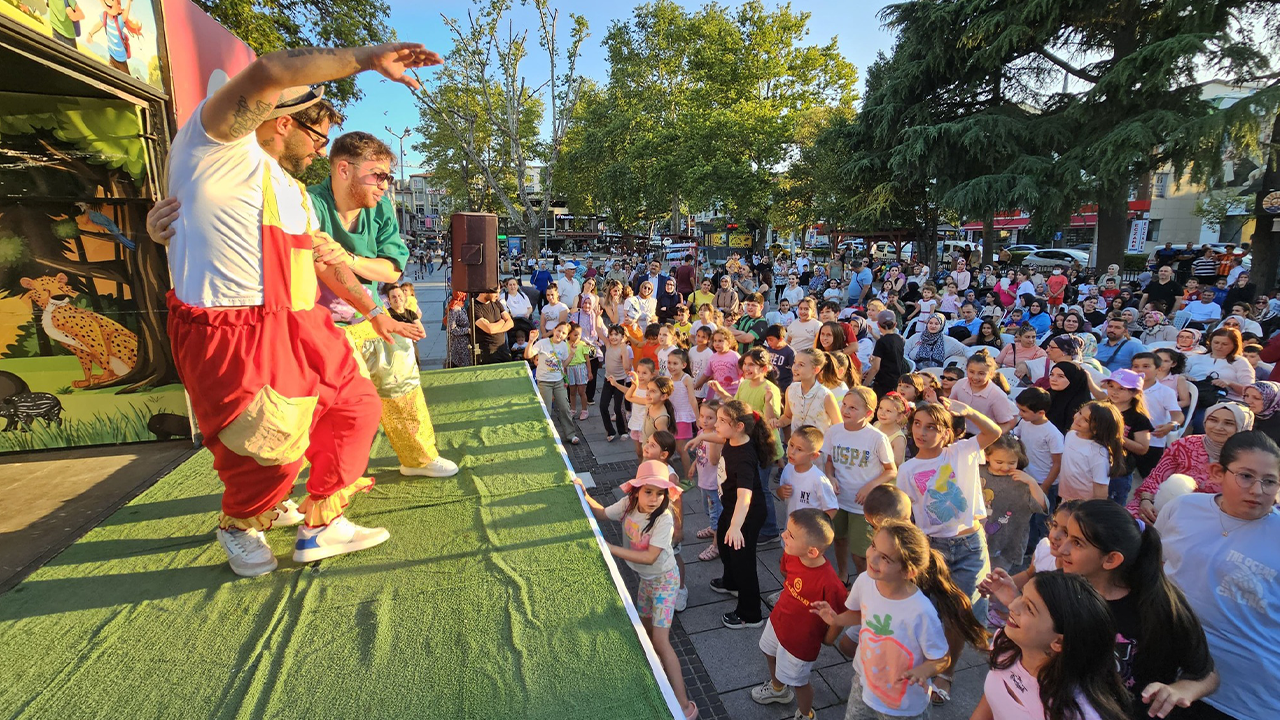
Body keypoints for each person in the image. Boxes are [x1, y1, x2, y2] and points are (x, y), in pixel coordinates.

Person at [149, 42, 443, 576]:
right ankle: (240, 523)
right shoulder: (212, 145)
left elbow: (325, 263)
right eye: (317, 137)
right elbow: (269, 70)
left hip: (301, 318)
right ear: (281, 120)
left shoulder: (292, 191)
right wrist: (370, 59)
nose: (319, 151)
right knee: (265, 445)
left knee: (357, 407)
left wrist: (373, 313)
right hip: (232, 325)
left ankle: (323, 524)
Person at [810, 520, 987, 720]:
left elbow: (942, 658)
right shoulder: (865, 581)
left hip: (903, 704)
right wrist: (837, 619)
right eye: (873, 546)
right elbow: (863, 614)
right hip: (865, 682)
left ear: (908, 572)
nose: (872, 558)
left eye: (885, 558)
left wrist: (924, 670)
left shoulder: (921, 611)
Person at [1157, 431, 1280, 720]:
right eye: (1246, 476)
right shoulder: (1182, 509)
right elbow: (1154, 570)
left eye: (1270, 481)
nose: (1258, 490)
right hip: (1167, 675)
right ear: (1216, 472)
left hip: (1246, 697)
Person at [1060, 501, 1220, 718]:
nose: (1062, 548)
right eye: (1066, 535)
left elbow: (1206, 674)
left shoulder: (1161, 609)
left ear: (1111, 559)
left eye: (1077, 543)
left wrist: (1179, 690)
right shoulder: (1064, 589)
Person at [574, 462, 698, 720]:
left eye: (660, 493)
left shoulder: (664, 518)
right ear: (636, 491)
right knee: (643, 627)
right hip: (645, 580)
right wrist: (584, 495)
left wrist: (609, 548)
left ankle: (684, 704)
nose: (654, 498)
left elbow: (651, 557)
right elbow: (602, 514)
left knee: (662, 641)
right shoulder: (628, 504)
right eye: (648, 491)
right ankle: (653, 669)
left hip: (664, 581)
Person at [896, 398, 1002, 692]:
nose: (922, 432)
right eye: (917, 424)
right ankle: (924, 662)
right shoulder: (907, 469)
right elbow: (908, 514)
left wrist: (969, 412)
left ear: (947, 433)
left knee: (959, 615)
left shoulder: (961, 452)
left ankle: (948, 671)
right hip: (933, 549)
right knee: (928, 613)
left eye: (932, 427)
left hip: (970, 546)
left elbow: (994, 433)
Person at [973, 571, 1132, 720]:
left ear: (1058, 642)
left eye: (1029, 608)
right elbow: (991, 700)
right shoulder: (1007, 644)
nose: (1013, 606)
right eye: (1021, 594)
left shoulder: (1077, 712)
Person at [710, 399, 778, 629]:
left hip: (746, 514)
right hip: (732, 509)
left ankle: (750, 613)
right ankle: (731, 582)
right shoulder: (733, 439)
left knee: (743, 561)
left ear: (739, 426)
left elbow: (745, 497)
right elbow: (719, 437)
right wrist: (701, 438)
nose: (716, 424)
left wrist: (736, 526)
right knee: (724, 542)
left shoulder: (744, 457)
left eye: (721, 420)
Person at [1129, 402, 1255, 521]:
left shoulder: (1248, 458)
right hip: (1167, 506)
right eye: (1213, 420)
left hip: (1216, 518)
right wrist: (1146, 501)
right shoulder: (1185, 444)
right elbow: (1156, 478)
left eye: (1228, 423)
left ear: (1242, 427)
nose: (1218, 427)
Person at [823, 388, 897, 583]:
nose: (846, 410)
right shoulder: (834, 431)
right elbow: (829, 461)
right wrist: (830, 476)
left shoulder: (876, 438)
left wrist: (869, 487)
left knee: (860, 552)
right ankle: (843, 574)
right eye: (845, 405)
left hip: (862, 505)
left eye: (853, 408)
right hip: (839, 499)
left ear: (868, 413)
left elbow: (891, 470)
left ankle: (866, 583)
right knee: (838, 539)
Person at [524, 323, 583, 445]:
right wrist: (530, 341)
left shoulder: (564, 346)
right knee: (546, 409)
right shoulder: (543, 343)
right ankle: (545, 435)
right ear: (554, 329)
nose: (560, 334)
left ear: (566, 336)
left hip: (558, 381)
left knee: (564, 407)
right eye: (559, 330)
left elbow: (564, 365)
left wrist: (572, 353)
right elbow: (528, 355)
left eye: (564, 333)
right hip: (544, 381)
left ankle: (570, 434)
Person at [1057, 401, 1126, 501]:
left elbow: (1101, 491)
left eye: (1086, 420)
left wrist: (1092, 512)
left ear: (1097, 429)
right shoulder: (1071, 434)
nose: (1077, 419)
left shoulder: (1098, 453)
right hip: (1066, 498)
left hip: (1084, 505)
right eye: (1080, 412)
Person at [774, 349, 841, 434]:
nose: (795, 368)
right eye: (794, 363)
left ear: (816, 370)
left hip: (819, 446)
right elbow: (788, 416)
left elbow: (838, 426)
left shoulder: (826, 396)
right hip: (795, 445)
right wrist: (777, 423)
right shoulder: (791, 389)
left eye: (801, 365)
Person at [949, 352, 1018, 434]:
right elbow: (951, 407)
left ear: (991, 374)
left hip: (984, 438)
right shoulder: (960, 384)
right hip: (960, 434)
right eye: (971, 372)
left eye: (981, 373)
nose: (975, 377)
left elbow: (1006, 424)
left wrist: (989, 437)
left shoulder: (997, 395)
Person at [775, 430, 838, 519]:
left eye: (799, 449)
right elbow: (781, 495)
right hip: (791, 527)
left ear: (813, 456)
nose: (792, 452)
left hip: (810, 530)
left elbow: (832, 508)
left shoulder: (819, 479)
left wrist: (818, 527)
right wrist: (781, 491)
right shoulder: (788, 468)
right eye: (791, 445)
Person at [599, 325, 633, 442]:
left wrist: (624, 351)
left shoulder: (624, 348)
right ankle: (610, 431)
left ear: (622, 337)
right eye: (611, 334)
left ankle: (623, 430)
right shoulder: (608, 345)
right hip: (608, 380)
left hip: (620, 381)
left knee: (618, 408)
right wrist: (596, 316)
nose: (613, 337)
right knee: (603, 406)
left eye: (616, 335)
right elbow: (598, 331)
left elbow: (627, 368)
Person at [903, 313, 968, 370]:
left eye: (936, 324)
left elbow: (965, 350)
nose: (933, 326)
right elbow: (904, 352)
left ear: (941, 326)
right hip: (914, 372)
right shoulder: (916, 337)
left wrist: (974, 361)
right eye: (930, 323)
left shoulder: (947, 340)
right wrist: (911, 367)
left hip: (936, 374)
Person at [866, 311, 905, 397]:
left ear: (878, 325)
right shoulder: (900, 339)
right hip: (896, 381)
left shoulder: (881, 342)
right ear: (895, 325)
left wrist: (864, 385)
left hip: (883, 383)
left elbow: (875, 368)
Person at [471, 286, 513, 364]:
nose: (498, 295)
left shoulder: (496, 303)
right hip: (488, 353)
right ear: (485, 292)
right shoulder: (474, 307)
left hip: (503, 349)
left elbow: (510, 323)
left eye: (499, 292)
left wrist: (495, 328)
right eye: (495, 293)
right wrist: (502, 321)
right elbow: (489, 329)